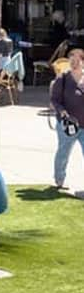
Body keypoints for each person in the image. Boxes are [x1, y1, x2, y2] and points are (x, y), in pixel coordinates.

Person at [51, 49, 84, 191]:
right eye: (72, 60)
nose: (74, 63)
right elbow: (55, 100)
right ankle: (59, 180)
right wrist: (62, 112)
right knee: (63, 152)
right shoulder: (62, 78)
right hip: (67, 124)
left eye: (77, 60)